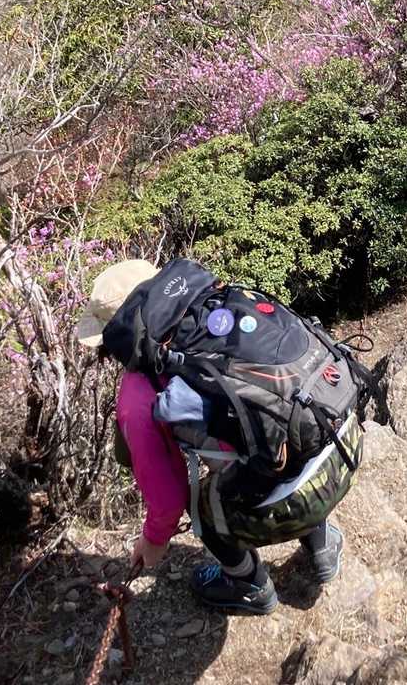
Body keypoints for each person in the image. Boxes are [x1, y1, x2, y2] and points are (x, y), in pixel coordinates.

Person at [75, 259, 351, 615]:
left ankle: (248, 585)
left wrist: (152, 541)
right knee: (278, 440)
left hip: (297, 495)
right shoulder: (226, 310)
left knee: (201, 504)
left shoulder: (137, 395)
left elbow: (168, 500)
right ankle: (322, 546)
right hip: (342, 443)